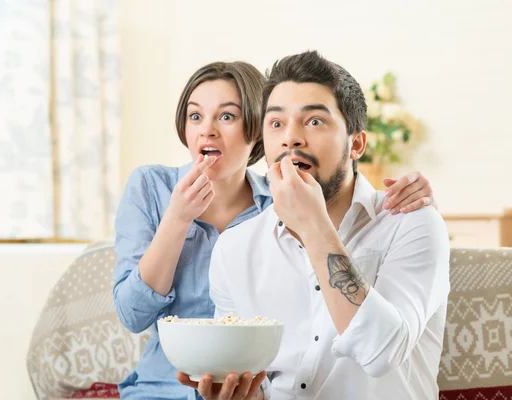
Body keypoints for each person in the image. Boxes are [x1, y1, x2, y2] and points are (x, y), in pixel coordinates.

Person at [114, 60, 437, 400]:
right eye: (195, 116)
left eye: (227, 116)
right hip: (163, 387)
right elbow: (132, 314)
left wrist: (418, 202)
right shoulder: (156, 189)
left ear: (253, 132)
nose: (207, 130)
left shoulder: (282, 202)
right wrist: (177, 219)